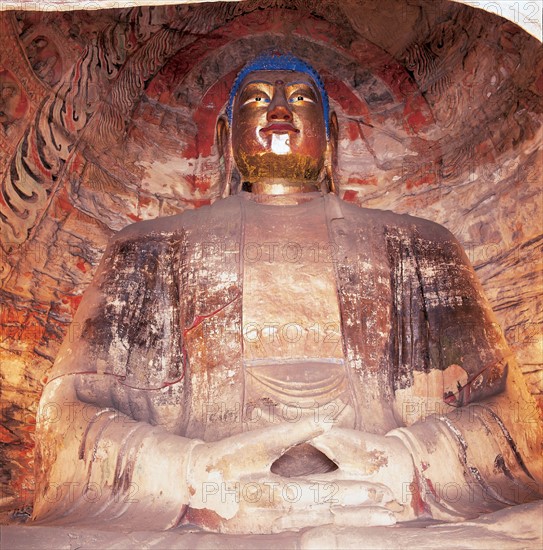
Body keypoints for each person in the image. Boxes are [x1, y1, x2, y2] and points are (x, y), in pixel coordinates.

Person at [32, 53, 542, 534]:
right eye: (256, 99)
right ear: (228, 135)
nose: (278, 110)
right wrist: (192, 473)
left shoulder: (421, 245)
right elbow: (62, 416)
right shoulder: (148, 246)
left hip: (389, 516)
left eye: (300, 99)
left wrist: (408, 463)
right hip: (194, 516)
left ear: (332, 135)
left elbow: (514, 417)